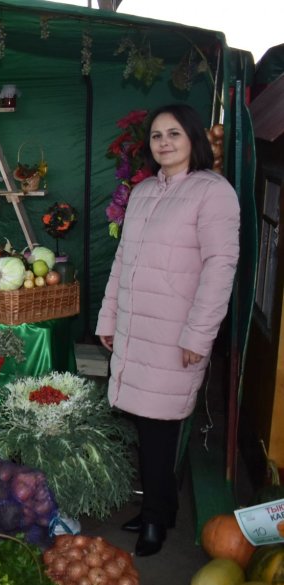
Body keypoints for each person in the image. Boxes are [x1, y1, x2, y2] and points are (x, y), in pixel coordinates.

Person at [96, 103, 240, 557]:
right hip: (138, 328)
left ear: (193, 139)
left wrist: (199, 336)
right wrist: (109, 319)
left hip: (176, 332)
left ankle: (157, 519)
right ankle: (161, 508)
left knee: (161, 429)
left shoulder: (212, 192)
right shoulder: (141, 194)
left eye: (173, 134)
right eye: (157, 136)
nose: (164, 143)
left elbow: (221, 268)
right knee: (145, 424)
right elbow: (123, 262)